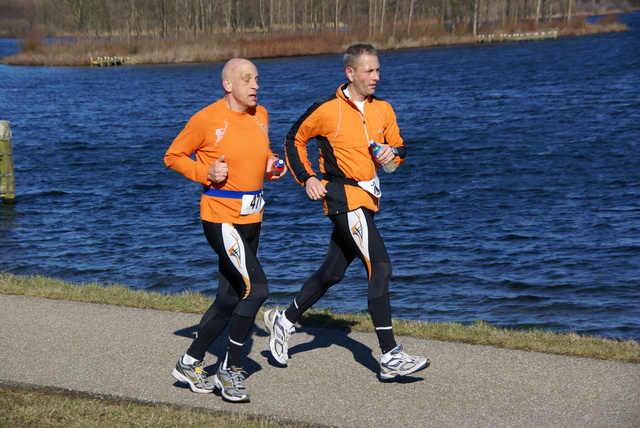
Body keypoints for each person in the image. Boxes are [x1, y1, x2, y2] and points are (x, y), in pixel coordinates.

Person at [264, 44, 429, 380]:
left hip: (368, 198)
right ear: (350, 73)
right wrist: (307, 177)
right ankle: (390, 356)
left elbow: (400, 150)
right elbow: (293, 139)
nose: (376, 77)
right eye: (369, 71)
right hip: (341, 195)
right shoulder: (327, 109)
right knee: (380, 265)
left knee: (333, 272)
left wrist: (390, 154)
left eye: (378, 70)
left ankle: (285, 319)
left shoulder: (383, 109)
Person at [165, 58, 286, 402]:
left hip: (253, 218)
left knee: (229, 297)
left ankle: (189, 363)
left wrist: (272, 166)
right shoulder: (207, 119)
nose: (255, 85)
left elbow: (259, 156)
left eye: (257, 79)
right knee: (257, 289)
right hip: (221, 217)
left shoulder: (260, 116)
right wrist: (206, 172)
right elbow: (173, 156)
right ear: (228, 84)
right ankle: (229, 369)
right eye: (247, 79)